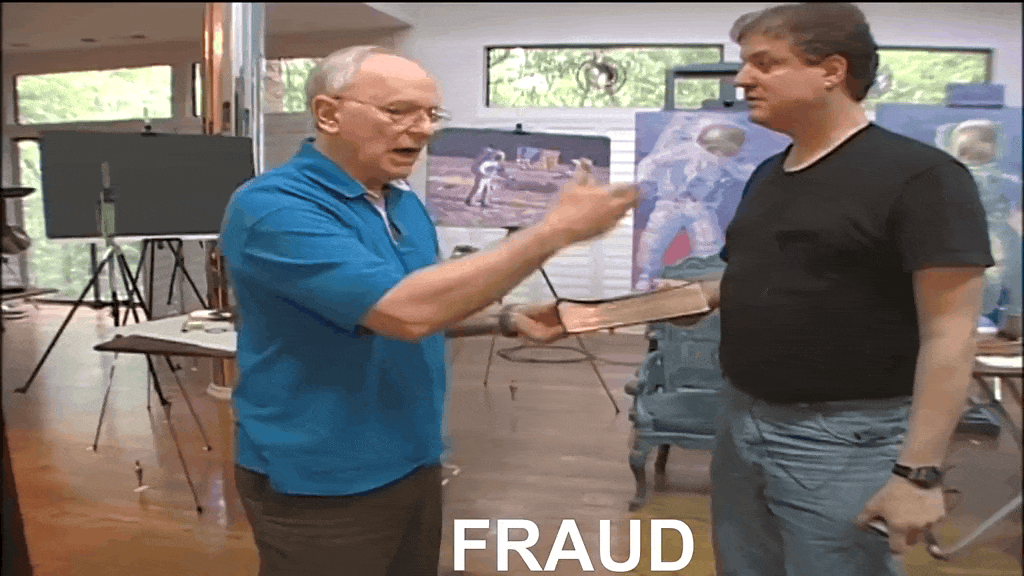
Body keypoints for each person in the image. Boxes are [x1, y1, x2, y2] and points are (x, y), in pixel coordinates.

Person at [218, 45, 637, 575]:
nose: (423, 130)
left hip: (412, 455)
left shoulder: (401, 201)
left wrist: (503, 319)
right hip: (321, 473)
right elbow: (403, 312)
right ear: (328, 114)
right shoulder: (273, 207)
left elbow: (412, 303)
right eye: (398, 111)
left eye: (431, 114)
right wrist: (553, 232)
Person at [681, 4, 993, 575]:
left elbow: (952, 332)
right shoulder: (769, 174)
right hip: (741, 422)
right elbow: (755, 276)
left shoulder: (923, 178)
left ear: (831, 70)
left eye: (765, 63)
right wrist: (653, 305)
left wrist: (918, 474)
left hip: (845, 440)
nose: (742, 79)